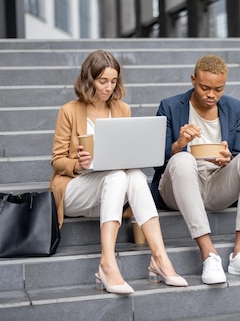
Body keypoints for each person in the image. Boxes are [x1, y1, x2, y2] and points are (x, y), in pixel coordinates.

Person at [49, 50, 187, 295]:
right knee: (117, 176)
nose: (108, 87)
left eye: (113, 81)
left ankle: (159, 257)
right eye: (103, 81)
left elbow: (127, 152)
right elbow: (57, 161)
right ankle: (107, 262)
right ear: (88, 79)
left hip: (111, 189)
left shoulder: (122, 108)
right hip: (74, 189)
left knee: (132, 174)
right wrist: (78, 164)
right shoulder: (69, 111)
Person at [150, 54, 240, 285]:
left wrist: (228, 158)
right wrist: (179, 144)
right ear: (193, 80)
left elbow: (238, 151)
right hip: (177, 186)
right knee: (183, 160)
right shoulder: (170, 106)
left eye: (218, 89)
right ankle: (209, 254)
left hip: (217, 182)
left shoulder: (234, 108)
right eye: (205, 88)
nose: (211, 95)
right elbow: (158, 163)